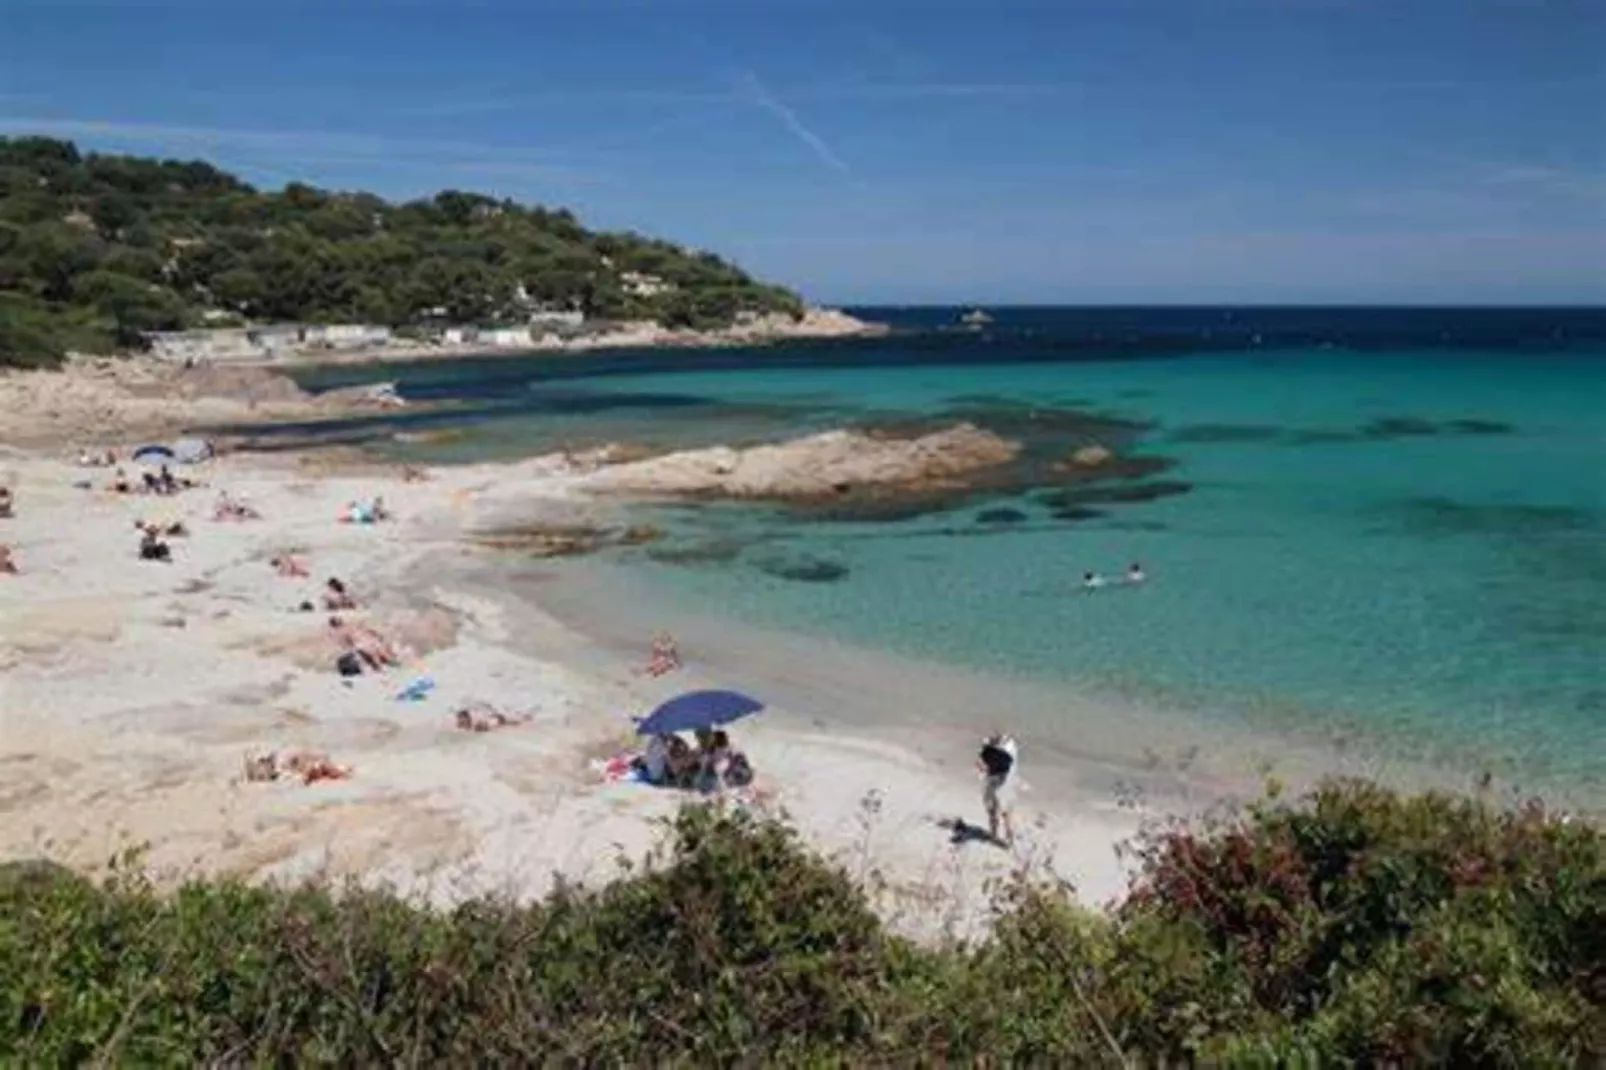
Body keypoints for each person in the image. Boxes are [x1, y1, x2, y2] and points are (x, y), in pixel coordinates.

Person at [977, 733, 1019, 846]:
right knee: (1000, 811)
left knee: (999, 811)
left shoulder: (1007, 746)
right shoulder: (1010, 746)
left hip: (1001, 781)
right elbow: (981, 763)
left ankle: (1000, 837)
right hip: (1001, 780)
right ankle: (1001, 837)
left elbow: (982, 765)